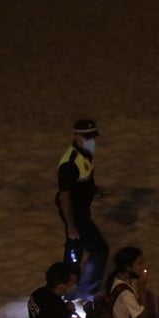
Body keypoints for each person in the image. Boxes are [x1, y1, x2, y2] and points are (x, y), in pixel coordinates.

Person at [55, 118, 108, 302]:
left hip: (81, 211)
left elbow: (84, 178)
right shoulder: (69, 163)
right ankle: (85, 290)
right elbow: (64, 197)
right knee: (98, 250)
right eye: (86, 137)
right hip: (74, 214)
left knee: (75, 249)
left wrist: (93, 190)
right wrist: (71, 226)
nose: (91, 140)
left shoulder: (84, 154)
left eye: (92, 136)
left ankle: (67, 286)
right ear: (77, 136)